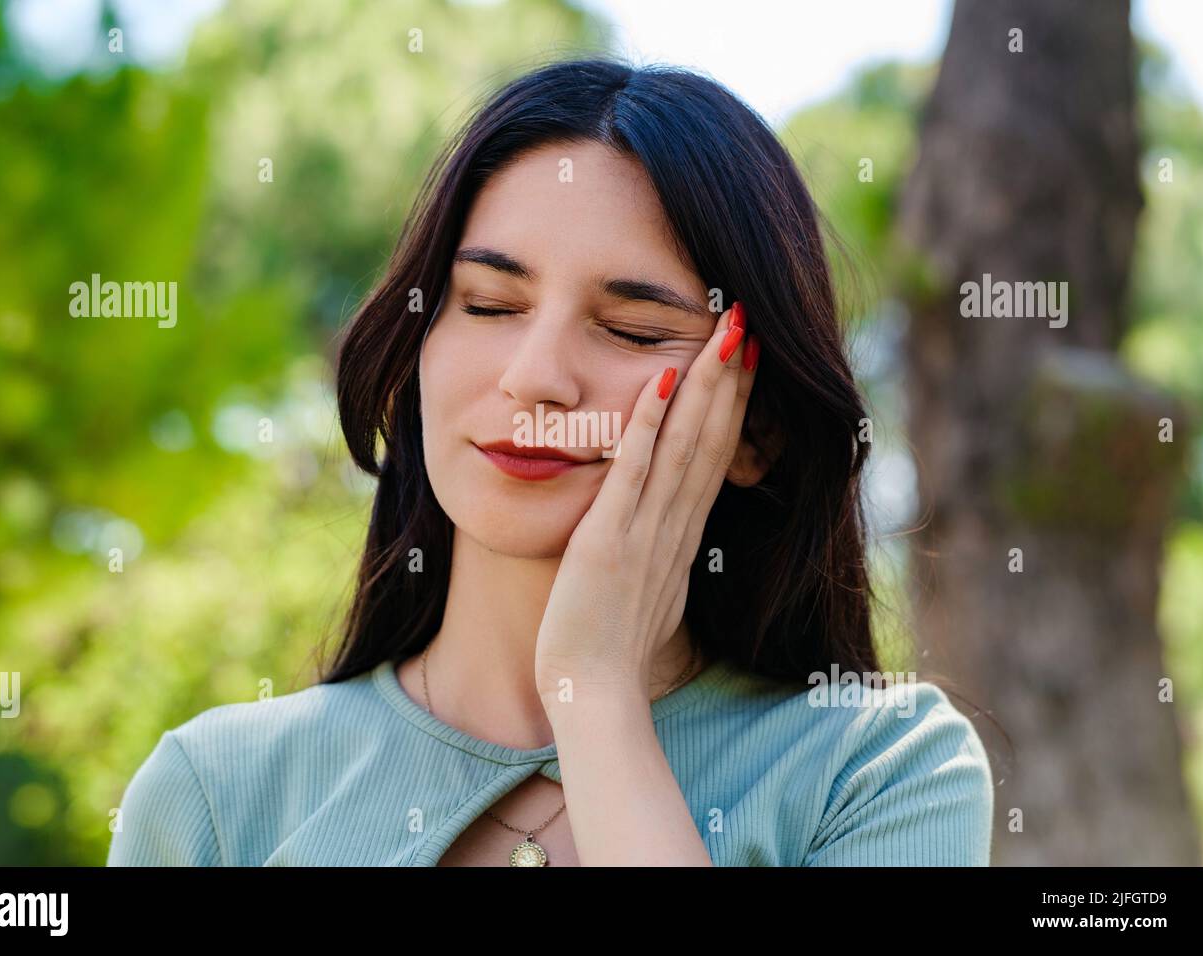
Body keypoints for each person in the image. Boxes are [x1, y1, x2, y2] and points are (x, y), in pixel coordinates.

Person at [107, 56, 993, 867]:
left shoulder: (878, 772)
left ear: (753, 432)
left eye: (632, 329)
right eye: (489, 304)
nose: (535, 380)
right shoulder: (215, 797)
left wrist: (595, 695)